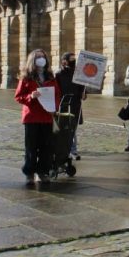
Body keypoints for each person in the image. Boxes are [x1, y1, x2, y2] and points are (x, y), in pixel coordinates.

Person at [14, 49, 61, 185]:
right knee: (31, 147)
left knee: (46, 147)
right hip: (32, 117)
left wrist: (55, 107)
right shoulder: (26, 78)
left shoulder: (50, 77)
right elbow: (18, 97)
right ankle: (29, 172)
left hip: (47, 116)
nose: (42, 59)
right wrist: (31, 96)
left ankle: (42, 172)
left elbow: (57, 94)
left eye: (43, 57)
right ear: (33, 60)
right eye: (39, 57)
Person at [55, 51, 87, 160]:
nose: (73, 61)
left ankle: (73, 151)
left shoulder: (78, 73)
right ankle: (64, 150)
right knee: (64, 128)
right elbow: (56, 90)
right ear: (64, 61)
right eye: (71, 59)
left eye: (74, 59)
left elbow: (82, 89)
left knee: (73, 128)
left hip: (75, 104)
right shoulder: (58, 74)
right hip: (63, 105)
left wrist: (84, 94)